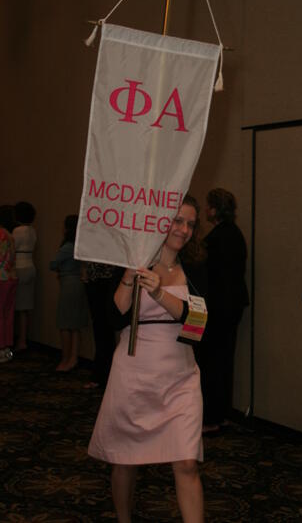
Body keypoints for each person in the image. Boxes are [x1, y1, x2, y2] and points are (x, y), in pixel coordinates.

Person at [88, 195, 207, 523]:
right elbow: (113, 318)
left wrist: (158, 293)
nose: (184, 230)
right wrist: (130, 275)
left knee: (186, 461)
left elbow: (199, 325)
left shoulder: (194, 266)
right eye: (177, 220)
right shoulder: (133, 261)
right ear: (159, 221)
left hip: (181, 375)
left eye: (190, 224)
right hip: (134, 372)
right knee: (125, 458)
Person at [197, 188, 249, 434]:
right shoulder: (235, 234)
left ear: (215, 209)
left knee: (210, 362)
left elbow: (210, 277)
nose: (206, 210)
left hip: (217, 308)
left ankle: (211, 417)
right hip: (232, 306)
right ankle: (222, 413)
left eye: (209, 206)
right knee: (224, 360)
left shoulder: (216, 239)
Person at [50, 215, 88, 371]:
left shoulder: (67, 247)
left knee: (65, 323)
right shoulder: (81, 244)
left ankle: (66, 359)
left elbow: (53, 264)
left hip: (69, 284)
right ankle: (73, 358)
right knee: (75, 324)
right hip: (78, 283)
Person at [82, 262, 118, 389]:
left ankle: (103, 375)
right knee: (101, 329)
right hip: (95, 280)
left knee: (104, 330)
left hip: (106, 281)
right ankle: (102, 374)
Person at [13, 201, 37, 351]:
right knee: (25, 307)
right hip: (30, 266)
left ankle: (20, 341)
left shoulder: (17, 230)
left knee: (18, 307)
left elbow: (11, 247)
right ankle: (23, 339)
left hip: (19, 267)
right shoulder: (32, 230)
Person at [0, 206, 17, 362]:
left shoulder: (1, 234)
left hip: (1, 277)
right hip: (11, 276)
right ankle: (6, 348)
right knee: (7, 314)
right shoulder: (10, 235)